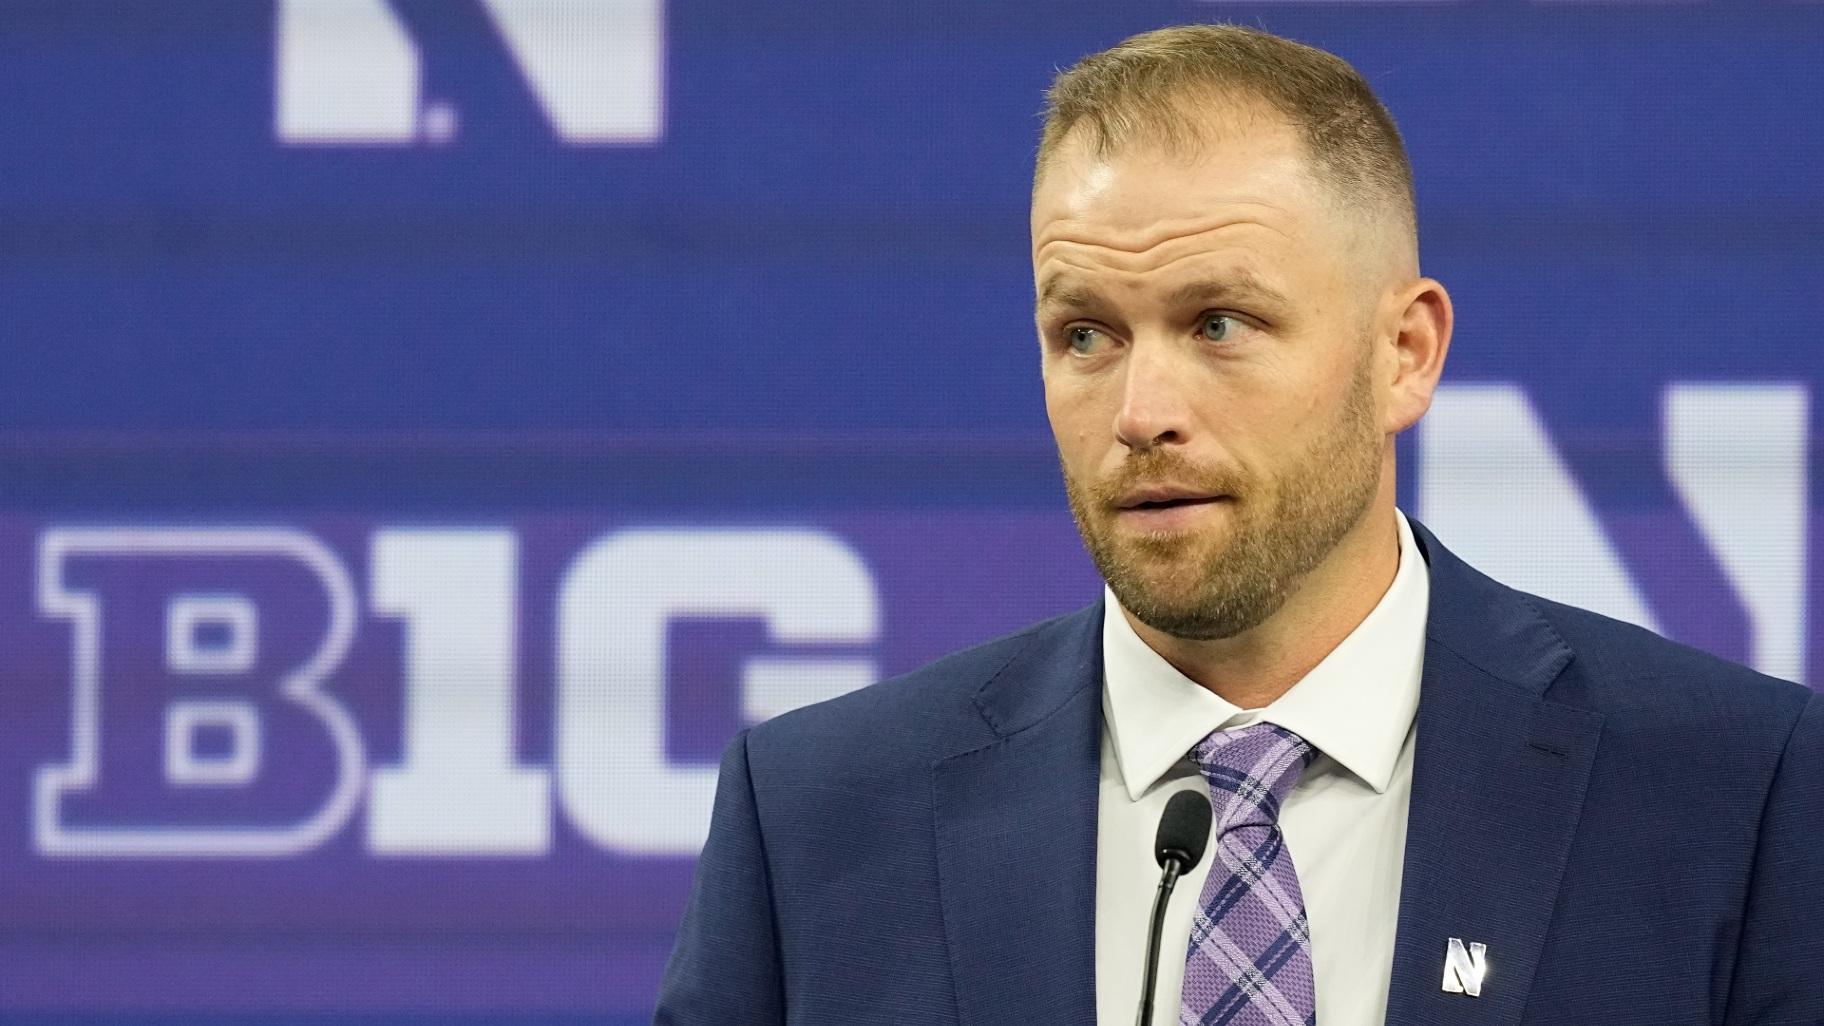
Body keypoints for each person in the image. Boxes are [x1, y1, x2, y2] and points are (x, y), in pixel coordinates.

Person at [654, 23, 1823, 1026]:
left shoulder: (1733, 790)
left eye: (1218, 324)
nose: (1140, 414)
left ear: (1403, 354)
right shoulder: (817, 818)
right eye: (1085, 335)